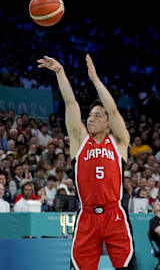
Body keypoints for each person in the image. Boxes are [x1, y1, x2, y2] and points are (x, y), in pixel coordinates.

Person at [39, 54, 134, 270]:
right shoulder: (80, 141)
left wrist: (94, 78)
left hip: (115, 215)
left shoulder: (119, 141)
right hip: (87, 216)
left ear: (109, 123)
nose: (90, 118)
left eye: (97, 115)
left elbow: (113, 110)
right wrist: (60, 73)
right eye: (90, 115)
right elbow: (70, 103)